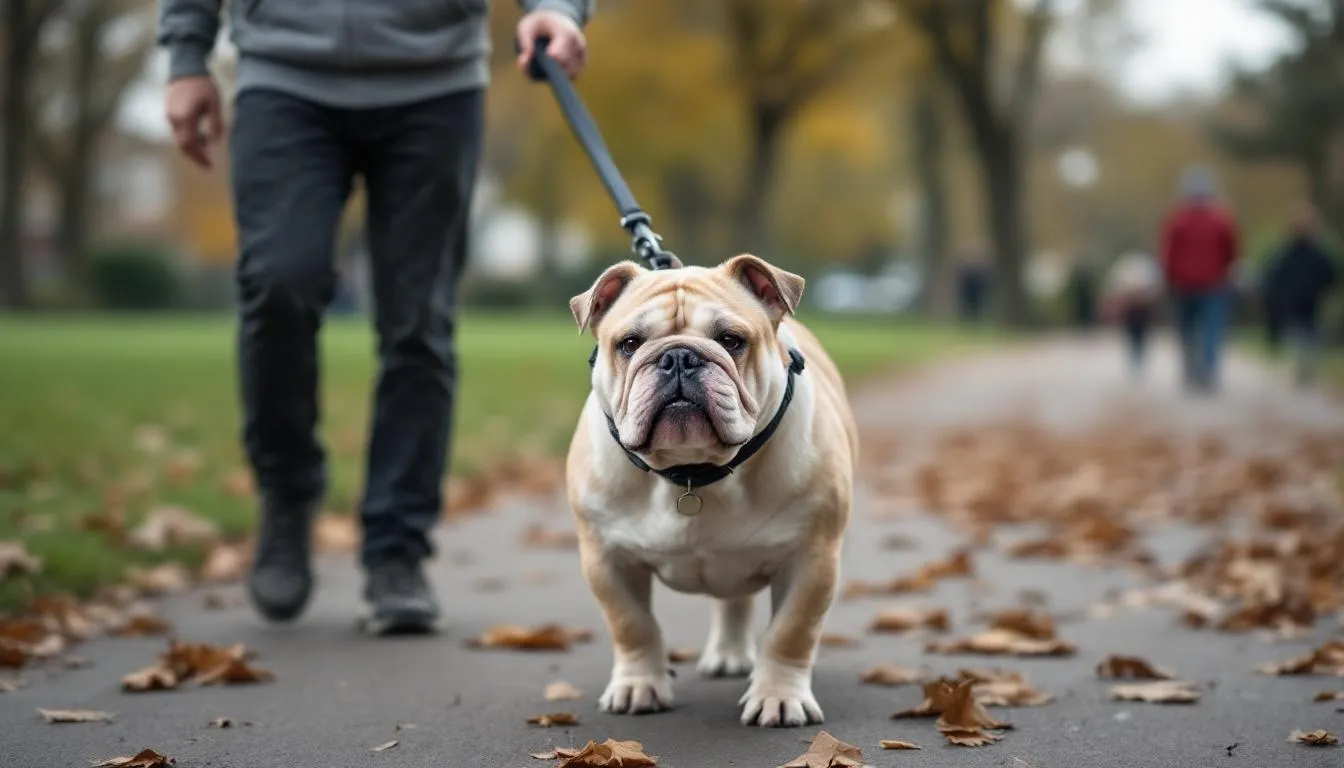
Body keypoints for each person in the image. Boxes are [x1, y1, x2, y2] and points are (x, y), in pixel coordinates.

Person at [156, 0, 593, 634]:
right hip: (283, 72)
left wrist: (555, 9)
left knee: (419, 322)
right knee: (278, 284)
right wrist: (186, 56)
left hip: (435, 81)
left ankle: (397, 552)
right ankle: (287, 490)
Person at [1159, 167, 1240, 393]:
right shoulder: (1221, 218)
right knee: (1211, 329)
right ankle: (1208, 370)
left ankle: (1190, 370)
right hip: (1214, 283)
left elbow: (1167, 254)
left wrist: (1168, 279)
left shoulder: (1177, 219)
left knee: (1186, 330)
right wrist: (1229, 272)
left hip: (1183, 284)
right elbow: (1231, 250)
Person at [1262, 202, 1339, 386]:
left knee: (1304, 336)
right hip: (1305, 303)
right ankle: (1305, 366)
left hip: (1299, 304)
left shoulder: (1287, 252)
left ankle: (1304, 366)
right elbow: (1332, 274)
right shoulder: (1315, 252)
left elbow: (1272, 277)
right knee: (1306, 336)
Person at [1100, 250, 1163, 376]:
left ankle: (1137, 357)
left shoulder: (1129, 267)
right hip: (1135, 310)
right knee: (1135, 335)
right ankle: (1136, 357)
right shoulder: (1141, 267)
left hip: (1140, 310)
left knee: (1138, 335)